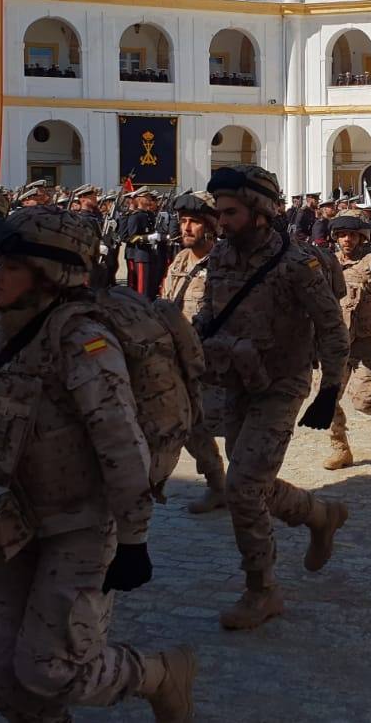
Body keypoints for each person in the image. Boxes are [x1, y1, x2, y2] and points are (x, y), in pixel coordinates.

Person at [0, 207, 195, 722]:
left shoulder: (83, 341)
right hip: (12, 521)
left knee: (51, 668)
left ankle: (157, 673)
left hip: (78, 526)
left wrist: (133, 539)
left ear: (48, 274)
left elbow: (121, 443)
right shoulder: (10, 328)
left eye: (11, 265)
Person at [197, 164, 349, 631]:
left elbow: (331, 327)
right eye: (218, 213)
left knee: (242, 488)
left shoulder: (295, 263)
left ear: (261, 212)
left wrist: (328, 391)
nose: (221, 222)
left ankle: (262, 591)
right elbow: (210, 310)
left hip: (281, 385)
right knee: (253, 480)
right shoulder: (222, 257)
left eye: (231, 212)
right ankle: (320, 515)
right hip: (235, 381)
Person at [161, 192, 228, 514]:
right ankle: (218, 485)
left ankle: (254, 488)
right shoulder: (179, 260)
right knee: (190, 425)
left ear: (212, 226)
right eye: (183, 221)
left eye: (194, 222)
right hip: (181, 361)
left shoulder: (225, 264)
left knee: (227, 425)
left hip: (217, 361)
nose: (186, 228)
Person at [322, 209, 371, 471]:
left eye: (352, 235)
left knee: (364, 402)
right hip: (338, 343)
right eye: (341, 235)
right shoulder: (329, 263)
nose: (346, 240)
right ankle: (340, 448)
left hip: (367, 342)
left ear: (362, 236)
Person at [120, 188, 165, 299]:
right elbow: (131, 237)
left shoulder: (149, 214)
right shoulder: (136, 216)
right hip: (141, 254)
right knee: (142, 289)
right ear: (140, 199)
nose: (150, 199)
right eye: (147, 197)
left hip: (151, 253)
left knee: (151, 286)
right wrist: (147, 237)